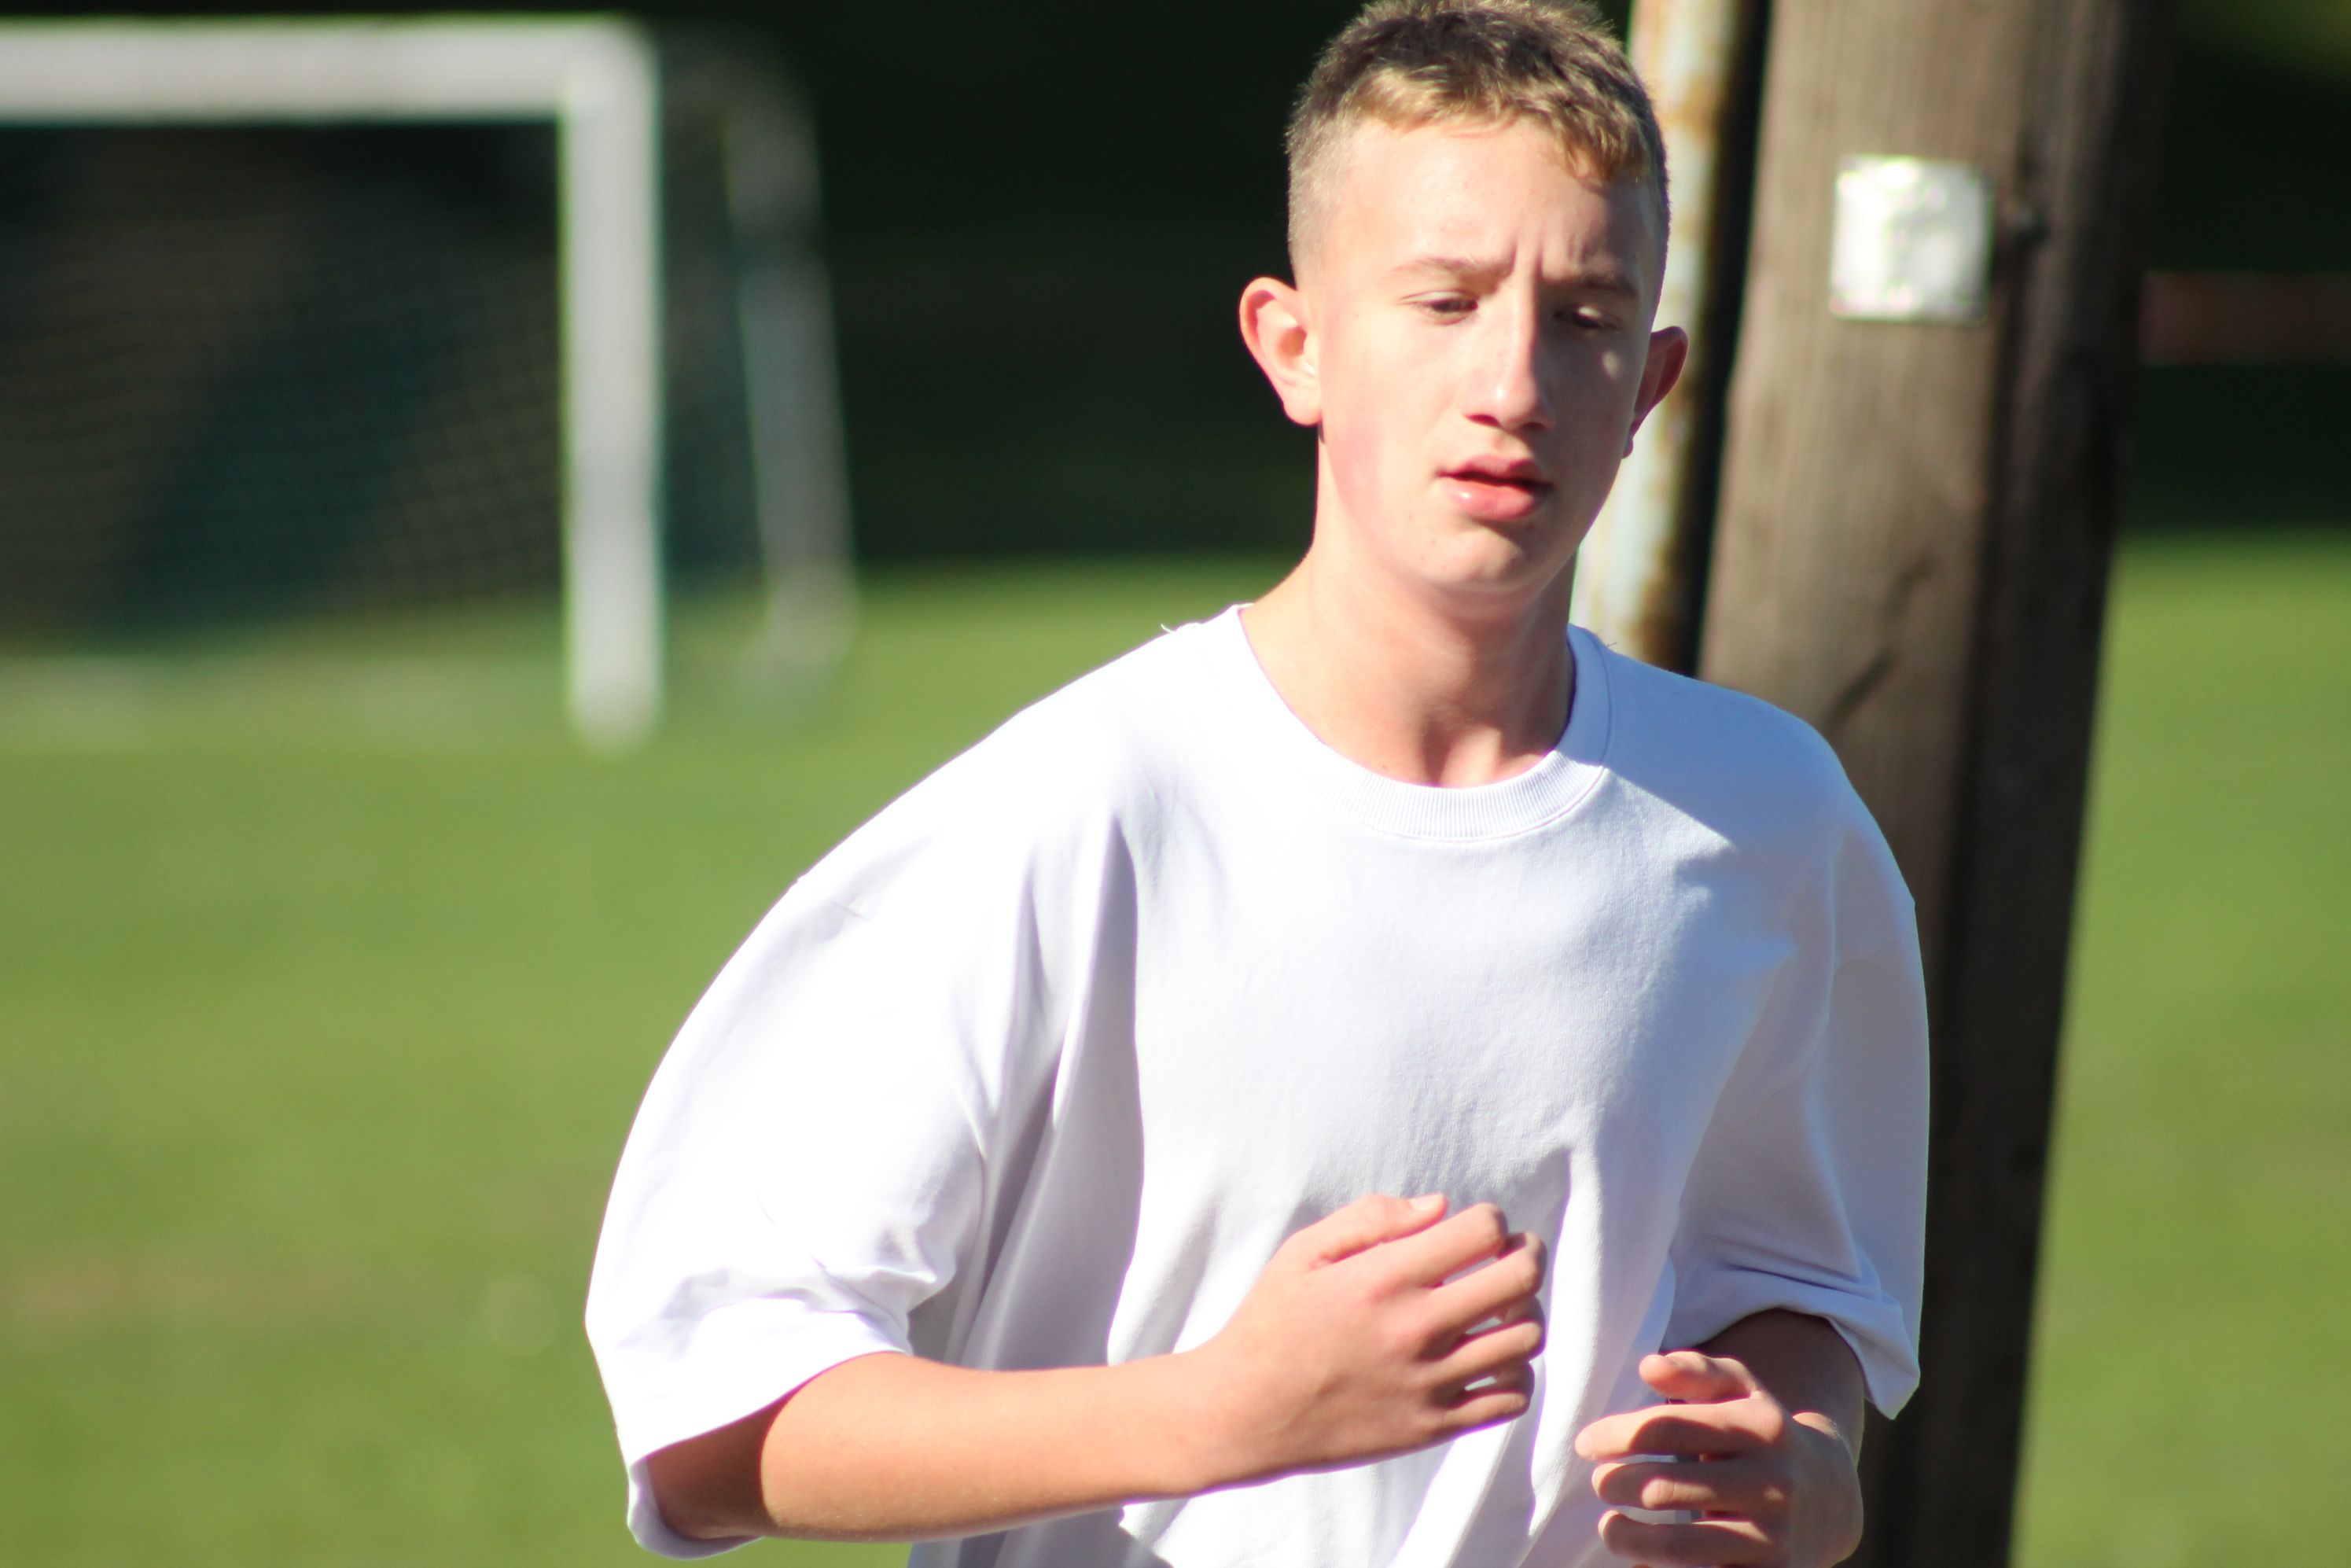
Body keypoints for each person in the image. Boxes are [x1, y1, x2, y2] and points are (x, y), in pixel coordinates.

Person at [585, 2, 1928, 1564]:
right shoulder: (1078, 811)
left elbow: (1794, 1282)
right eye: (1443, 300)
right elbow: (710, 1426)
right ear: (1293, 345)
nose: (1512, 379)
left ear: (1650, 382)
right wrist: (1221, 1409)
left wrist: (1805, 1462)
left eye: (1583, 314)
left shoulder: (1763, 817)